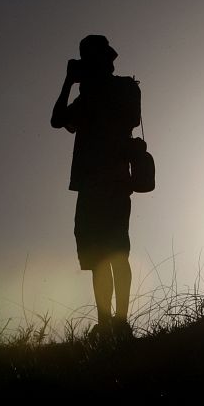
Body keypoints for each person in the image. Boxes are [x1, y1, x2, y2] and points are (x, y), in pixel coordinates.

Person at [51, 35, 141, 339]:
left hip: (113, 181)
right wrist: (69, 82)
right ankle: (106, 323)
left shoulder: (123, 88)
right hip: (91, 184)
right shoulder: (87, 95)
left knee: (116, 252)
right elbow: (56, 120)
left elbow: (130, 117)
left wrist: (81, 86)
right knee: (99, 256)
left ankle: (120, 320)